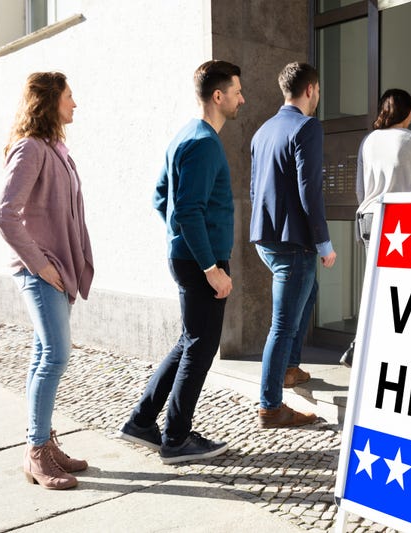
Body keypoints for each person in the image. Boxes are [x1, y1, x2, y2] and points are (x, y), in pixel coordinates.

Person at [117, 60, 244, 464]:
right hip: (201, 261)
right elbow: (186, 211)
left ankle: (141, 421)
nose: (244, 98)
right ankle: (176, 438)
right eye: (238, 91)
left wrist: (179, 237)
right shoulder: (204, 142)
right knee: (201, 348)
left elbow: (161, 196)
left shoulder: (185, 136)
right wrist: (211, 268)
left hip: (189, 255)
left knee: (190, 341)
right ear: (218, 96)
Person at [0, 72, 94, 490]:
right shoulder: (31, 149)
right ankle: (36, 452)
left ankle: (45, 442)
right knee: (55, 356)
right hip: (41, 270)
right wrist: (39, 265)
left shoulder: (56, 148)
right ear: (51, 101)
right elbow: (4, 214)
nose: (76, 103)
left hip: (57, 267)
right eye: (70, 96)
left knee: (43, 356)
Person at [250, 62, 337, 428]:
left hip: (266, 239)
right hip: (294, 242)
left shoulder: (262, 131)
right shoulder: (307, 127)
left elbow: (255, 189)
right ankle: (270, 406)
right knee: (282, 325)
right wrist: (324, 243)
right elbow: (309, 190)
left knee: (309, 291)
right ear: (311, 89)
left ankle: (289, 367)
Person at [342, 88, 411, 367]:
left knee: (375, 286)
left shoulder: (369, 140)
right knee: (403, 289)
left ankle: (359, 346)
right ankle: (398, 350)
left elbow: (360, 188)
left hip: (367, 218)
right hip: (398, 221)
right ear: (407, 112)